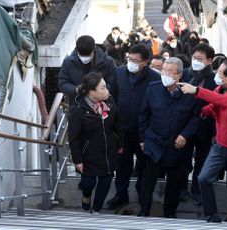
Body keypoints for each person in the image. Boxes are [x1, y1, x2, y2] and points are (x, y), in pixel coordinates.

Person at [178, 60, 227, 223]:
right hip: (220, 144)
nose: (216, 74)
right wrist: (203, 111)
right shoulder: (220, 87)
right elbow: (216, 103)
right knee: (204, 178)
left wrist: (197, 91)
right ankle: (212, 216)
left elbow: (226, 101)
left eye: (220, 72)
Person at [138, 57, 200, 217]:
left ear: (179, 75)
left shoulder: (190, 93)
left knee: (174, 182)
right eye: (163, 70)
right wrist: (142, 139)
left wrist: (185, 135)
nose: (164, 74)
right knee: (147, 181)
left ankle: (170, 214)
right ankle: (144, 211)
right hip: (154, 143)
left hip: (176, 146)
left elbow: (196, 117)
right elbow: (143, 115)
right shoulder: (153, 88)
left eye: (169, 71)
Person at [107, 44, 160, 210]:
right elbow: (112, 96)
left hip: (144, 131)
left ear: (145, 62)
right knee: (122, 165)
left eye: (136, 60)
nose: (131, 63)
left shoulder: (154, 78)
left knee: (144, 165)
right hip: (122, 129)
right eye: (129, 59)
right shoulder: (120, 72)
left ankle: (142, 196)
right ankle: (121, 195)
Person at [68, 72, 124, 214]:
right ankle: (86, 196)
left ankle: (96, 210)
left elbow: (118, 124)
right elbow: (73, 138)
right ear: (92, 91)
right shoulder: (78, 109)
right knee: (88, 183)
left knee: (105, 182)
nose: (107, 91)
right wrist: (78, 160)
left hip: (109, 151)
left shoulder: (109, 101)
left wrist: (120, 144)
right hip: (89, 155)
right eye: (103, 88)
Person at [181, 43, 216, 205]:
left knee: (201, 160)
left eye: (200, 59)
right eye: (194, 57)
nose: (195, 61)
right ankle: (181, 188)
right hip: (185, 125)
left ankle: (196, 189)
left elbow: (217, 104)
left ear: (210, 60)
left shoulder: (215, 80)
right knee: (183, 159)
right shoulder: (185, 74)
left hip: (205, 126)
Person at [58, 35, 116, 103]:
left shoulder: (108, 62)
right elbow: (62, 82)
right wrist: (76, 90)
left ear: (94, 50)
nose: (85, 59)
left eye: (88, 55)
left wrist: (98, 91)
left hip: (101, 103)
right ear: (77, 51)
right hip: (77, 104)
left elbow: (113, 83)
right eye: (82, 55)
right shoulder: (68, 62)